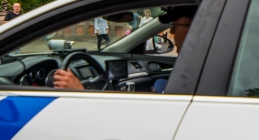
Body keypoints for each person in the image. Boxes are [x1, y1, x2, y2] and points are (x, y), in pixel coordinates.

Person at [53, 6, 196, 90]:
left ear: (195, 27)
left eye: (174, 26)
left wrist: (80, 92)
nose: (171, 32)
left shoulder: (195, 76)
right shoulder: (200, 68)